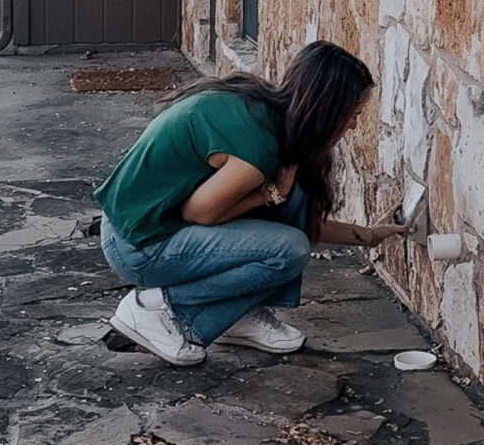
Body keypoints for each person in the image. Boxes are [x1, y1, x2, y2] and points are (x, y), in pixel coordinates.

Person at [95, 41, 407, 366]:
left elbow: (301, 218)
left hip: (150, 228)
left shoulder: (268, 112)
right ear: (326, 110)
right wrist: (268, 194)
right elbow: (200, 212)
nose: (354, 125)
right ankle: (156, 309)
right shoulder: (258, 146)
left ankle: (237, 314)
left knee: (293, 205)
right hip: (137, 245)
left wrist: (370, 235)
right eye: (352, 115)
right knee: (287, 249)